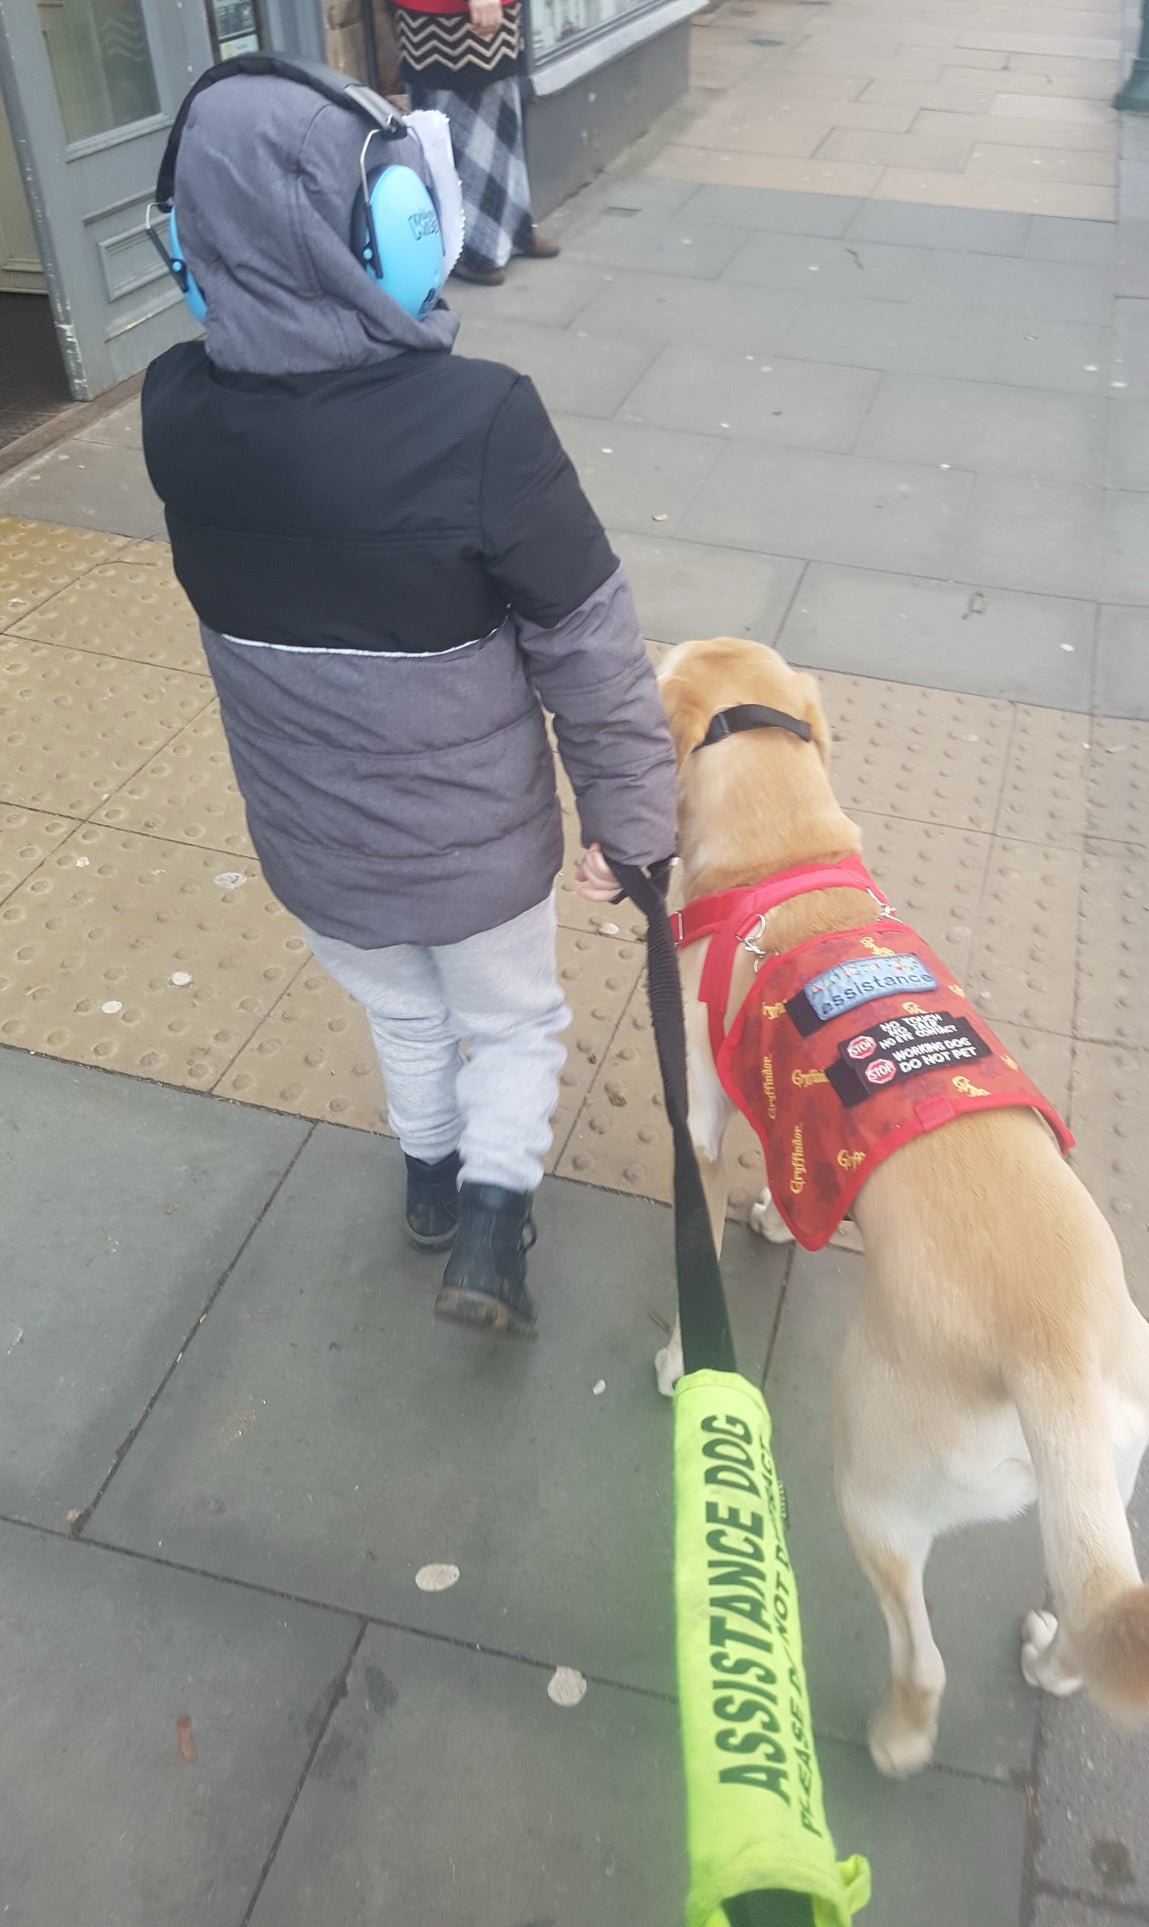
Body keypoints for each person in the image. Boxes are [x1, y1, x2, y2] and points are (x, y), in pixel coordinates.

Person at [141, 65, 674, 1336]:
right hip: (475, 854)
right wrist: (632, 816)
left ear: (187, 246)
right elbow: (588, 646)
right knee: (515, 1018)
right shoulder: (478, 421)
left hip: (316, 852)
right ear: (389, 230)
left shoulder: (173, 412)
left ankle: (427, 1182)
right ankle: (493, 1218)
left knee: (402, 1012)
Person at [391, 0, 556, 286]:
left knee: (499, 120)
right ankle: (473, 251)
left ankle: (513, 233)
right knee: (453, 123)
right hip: (446, 10)